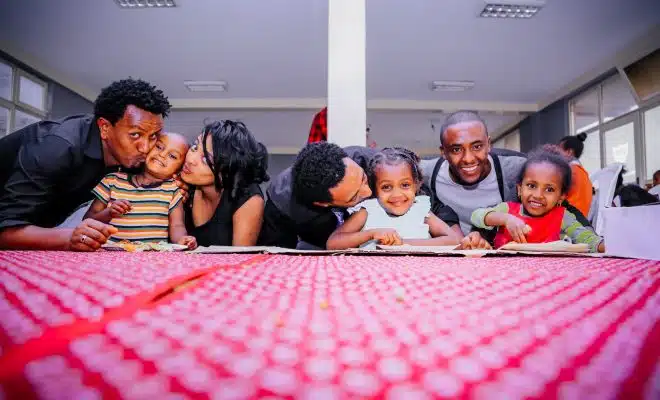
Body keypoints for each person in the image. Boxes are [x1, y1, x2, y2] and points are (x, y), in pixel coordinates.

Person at [0, 78, 171, 251]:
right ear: (104, 127)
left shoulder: (131, 155)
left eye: (154, 136)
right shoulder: (57, 146)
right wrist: (69, 237)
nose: (146, 147)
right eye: (135, 134)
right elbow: (5, 230)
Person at [327, 148, 464, 249]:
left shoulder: (420, 210)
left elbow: (453, 240)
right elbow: (333, 243)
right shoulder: (368, 211)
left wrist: (404, 243)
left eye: (405, 185)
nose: (396, 195)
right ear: (375, 189)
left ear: (416, 185)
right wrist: (371, 234)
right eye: (386, 187)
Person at [471, 150, 605, 253]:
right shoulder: (507, 209)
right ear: (519, 189)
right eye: (531, 186)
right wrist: (505, 219)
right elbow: (477, 216)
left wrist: (603, 245)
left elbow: (587, 239)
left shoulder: (563, 217)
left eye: (549, 189)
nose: (538, 195)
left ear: (561, 197)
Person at [420, 110, 526, 238]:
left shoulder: (516, 169)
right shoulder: (424, 173)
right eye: (456, 150)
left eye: (477, 147)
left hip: (498, 253)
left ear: (488, 145)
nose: (468, 159)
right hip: (450, 253)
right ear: (443, 152)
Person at [84, 133, 196, 249]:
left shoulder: (173, 190)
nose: (162, 154)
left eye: (172, 156)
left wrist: (182, 239)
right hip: (110, 253)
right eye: (159, 147)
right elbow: (87, 220)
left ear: (179, 170)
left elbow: (177, 225)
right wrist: (108, 213)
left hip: (152, 256)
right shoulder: (112, 181)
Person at [179, 120, 269, 247]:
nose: (190, 159)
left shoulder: (247, 198)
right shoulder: (183, 183)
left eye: (205, 159)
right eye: (195, 147)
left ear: (227, 171)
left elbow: (240, 260)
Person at [557, 133, 594, 216]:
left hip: (565, 221)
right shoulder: (583, 173)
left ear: (569, 152)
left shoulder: (567, 171)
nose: (556, 154)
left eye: (559, 150)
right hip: (579, 222)